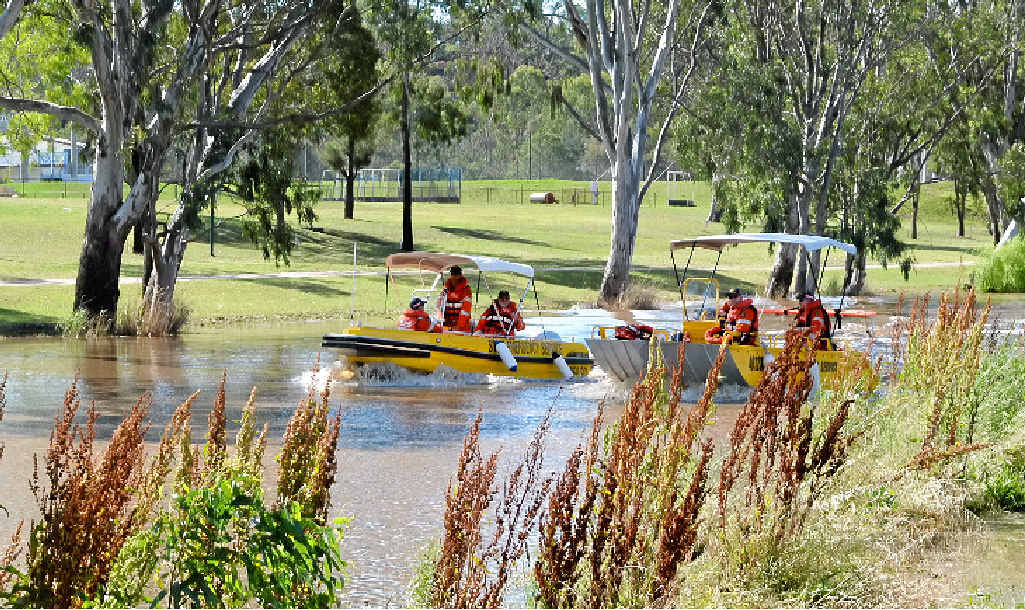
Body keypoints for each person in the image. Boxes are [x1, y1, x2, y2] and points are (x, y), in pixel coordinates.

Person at [440, 265, 473, 332]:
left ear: (460, 276)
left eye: (456, 275)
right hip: (446, 324)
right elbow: (439, 305)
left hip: (461, 327)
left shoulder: (466, 290)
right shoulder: (445, 288)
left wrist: (459, 326)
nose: (454, 278)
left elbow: (465, 311)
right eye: (453, 275)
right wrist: (440, 321)